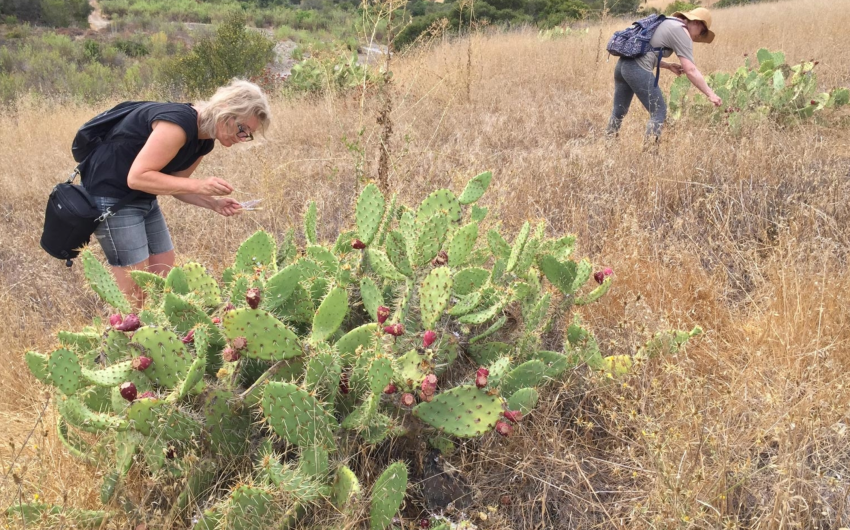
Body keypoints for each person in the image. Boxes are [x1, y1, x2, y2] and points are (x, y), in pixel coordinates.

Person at [78, 79, 272, 306]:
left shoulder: (204, 140)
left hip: (143, 197)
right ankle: (130, 336)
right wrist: (199, 185)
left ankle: (157, 333)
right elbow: (137, 177)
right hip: (112, 198)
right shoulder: (178, 125)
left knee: (165, 275)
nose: (242, 138)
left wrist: (214, 204)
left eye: (248, 134)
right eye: (242, 129)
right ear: (226, 111)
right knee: (134, 291)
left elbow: (178, 185)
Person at [606, 7, 722, 140]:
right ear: (697, 23)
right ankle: (651, 154)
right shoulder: (682, 31)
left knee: (619, 110)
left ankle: (608, 143)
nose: (698, 37)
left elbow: (645, 50)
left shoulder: (667, 21)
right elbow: (691, 70)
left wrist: (667, 66)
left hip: (622, 66)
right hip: (636, 69)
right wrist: (711, 94)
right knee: (659, 111)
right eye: (702, 32)